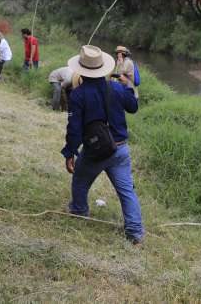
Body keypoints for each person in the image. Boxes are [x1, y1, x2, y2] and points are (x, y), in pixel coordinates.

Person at [61, 45, 144, 244]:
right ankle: (135, 233)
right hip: (120, 149)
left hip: (94, 151)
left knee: (80, 182)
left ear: (81, 70)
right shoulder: (116, 88)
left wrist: (70, 153)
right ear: (102, 68)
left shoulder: (78, 95)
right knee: (126, 192)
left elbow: (74, 129)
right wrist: (128, 85)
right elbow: (133, 107)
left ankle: (79, 211)